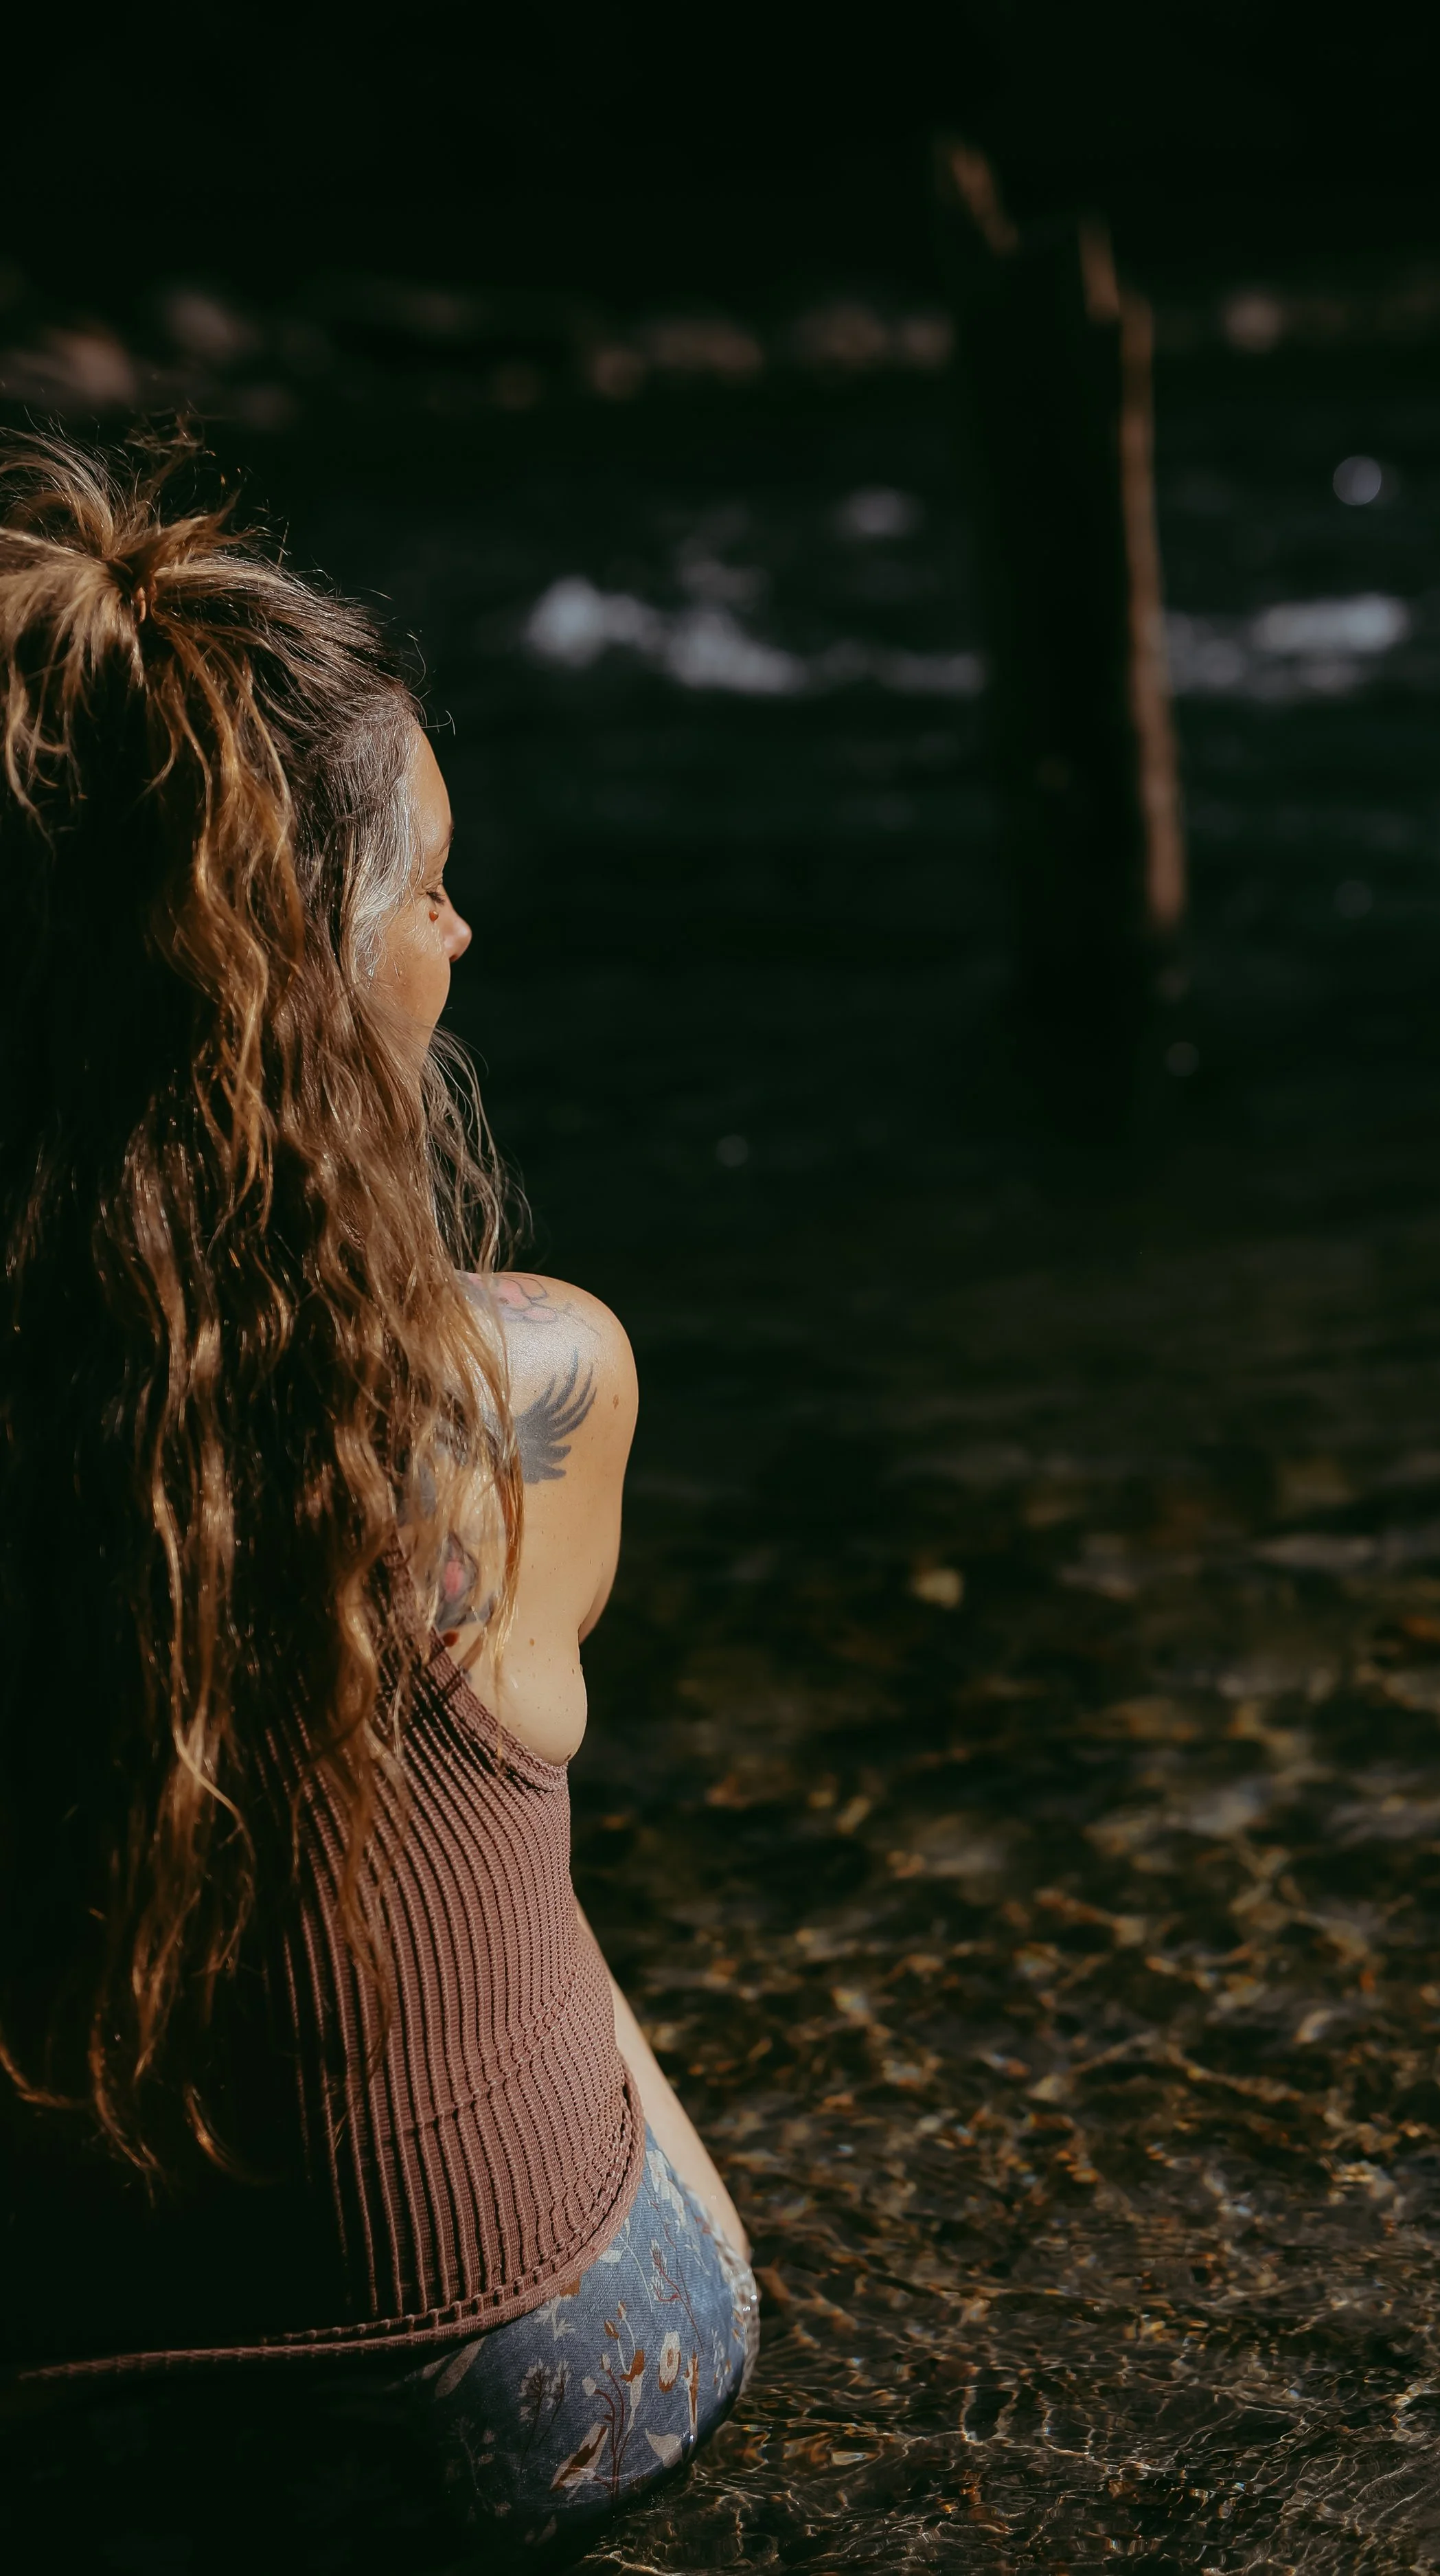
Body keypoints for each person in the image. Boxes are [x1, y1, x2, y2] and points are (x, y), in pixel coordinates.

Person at [0, 433, 756, 2560]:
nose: (461, 926)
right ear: (287, 975)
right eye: (419, 877)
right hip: (523, 2386)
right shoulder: (529, 1381)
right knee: (539, 1864)